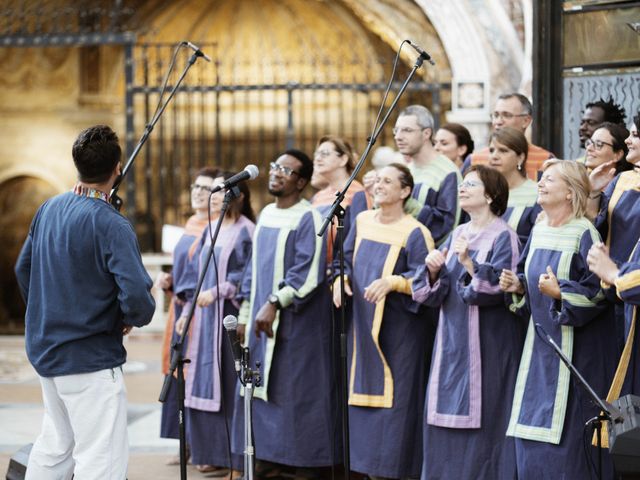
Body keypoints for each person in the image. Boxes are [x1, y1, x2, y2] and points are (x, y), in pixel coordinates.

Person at [14, 125, 155, 479]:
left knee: (55, 447)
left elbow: (23, 268)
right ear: (117, 169)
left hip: (48, 352)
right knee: (100, 460)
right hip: (90, 358)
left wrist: (48, 311)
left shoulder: (49, 208)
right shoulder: (112, 224)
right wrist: (128, 316)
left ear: (77, 167)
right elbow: (138, 299)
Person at [499, 160, 617, 479]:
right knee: (531, 438)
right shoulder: (537, 230)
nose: (540, 183)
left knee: (567, 451)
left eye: (549, 179)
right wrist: (517, 285)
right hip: (538, 352)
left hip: (575, 359)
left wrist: (561, 293)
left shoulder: (584, 234)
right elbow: (529, 284)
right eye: (541, 178)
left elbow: (600, 293)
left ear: (570, 193)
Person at [412, 165, 523, 480]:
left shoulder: (505, 235)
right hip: (450, 341)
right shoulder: (458, 232)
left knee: (488, 414)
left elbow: (501, 289)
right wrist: (433, 270)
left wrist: (468, 264)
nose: (462, 188)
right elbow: (432, 293)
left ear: (489, 195)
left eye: (471, 184)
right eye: (463, 183)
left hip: (489, 345)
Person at [234, 150, 335, 478]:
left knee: (294, 390)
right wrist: (247, 312)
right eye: (275, 165)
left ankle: (300, 463)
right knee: (262, 386)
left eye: (286, 170)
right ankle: (267, 457)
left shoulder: (310, 217)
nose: (276, 173)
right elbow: (252, 268)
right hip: (260, 321)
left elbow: (307, 271)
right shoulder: (265, 214)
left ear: (301, 181)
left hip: (295, 322)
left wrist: (275, 301)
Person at [333, 163, 435, 480]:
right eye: (377, 179)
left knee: (397, 407)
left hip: (400, 333)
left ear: (405, 191)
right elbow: (345, 259)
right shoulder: (361, 219)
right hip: (363, 327)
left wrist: (394, 282)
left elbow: (426, 283)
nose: (379, 184)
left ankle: (396, 472)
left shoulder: (416, 232)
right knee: (363, 405)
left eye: (388, 181)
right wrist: (339, 279)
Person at [172, 171, 255, 478]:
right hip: (204, 318)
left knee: (229, 387)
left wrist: (218, 292)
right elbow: (197, 270)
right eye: (216, 190)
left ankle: (236, 459)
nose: (217, 194)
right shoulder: (210, 228)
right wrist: (186, 311)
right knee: (202, 381)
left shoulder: (247, 230)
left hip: (228, 317)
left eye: (224, 190)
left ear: (239, 196)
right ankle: (212, 454)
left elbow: (244, 274)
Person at [157, 167, 218, 462]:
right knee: (178, 371)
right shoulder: (191, 224)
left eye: (205, 188)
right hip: (180, 308)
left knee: (195, 372)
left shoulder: (215, 226)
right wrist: (169, 280)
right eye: (195, 186)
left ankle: (202, 446)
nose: (197, 192)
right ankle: (186, 443)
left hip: (200, 307)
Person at [587, 112, 640, 354]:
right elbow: (599, 229)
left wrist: (617, 273)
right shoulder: (623, 180)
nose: (628, 140)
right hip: (615, 294)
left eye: (636, 134)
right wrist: (594, 192)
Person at [393, 104, 462, 245]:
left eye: (407, 130)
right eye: (397, 130)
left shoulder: (448, 173)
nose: (398, 137)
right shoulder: (408, 169)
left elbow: (445, 228)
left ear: (426, 133)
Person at [465, 93, 554, 180]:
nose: (498, 122)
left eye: (507, 115)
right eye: (496, 115)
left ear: (526, 121)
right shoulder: (474, 160)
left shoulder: (545, 159)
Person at [310, 135, 364, 263]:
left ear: (343, 159)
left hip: (339, 272)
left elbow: (358, 240)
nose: (317, 158)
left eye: (324, 154)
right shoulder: (318, 197)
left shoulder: (358, 194)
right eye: (316, 154)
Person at [487, 127, 541, 244]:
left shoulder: (537, 193)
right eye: (491, 150)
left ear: (520, 157)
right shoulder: (484, 191)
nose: (494, 156)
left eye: (503, 150)